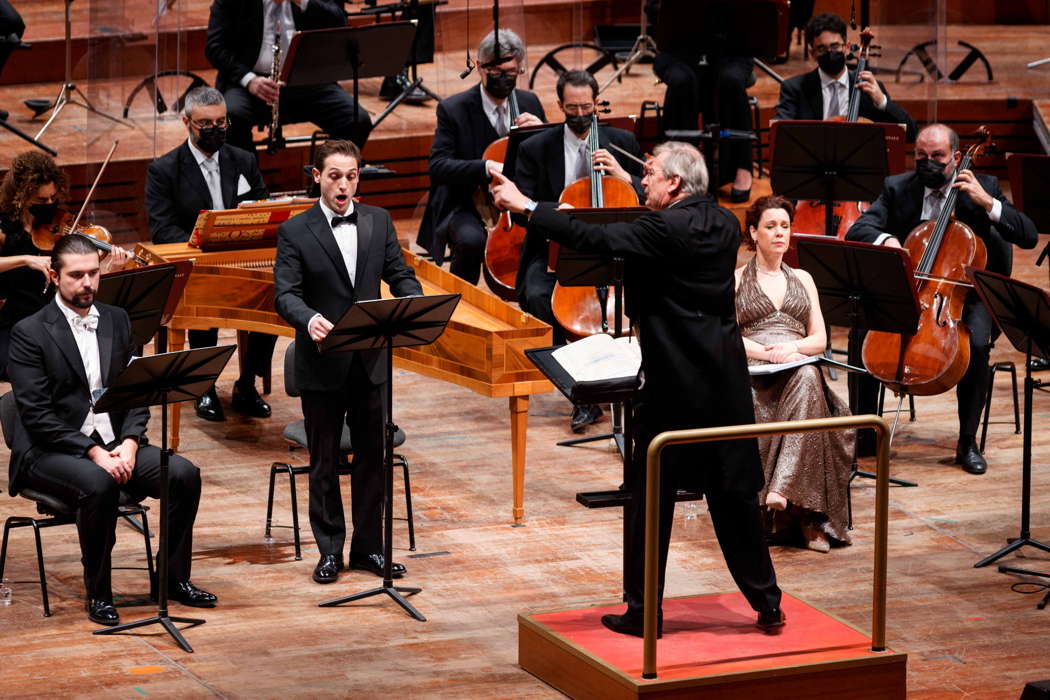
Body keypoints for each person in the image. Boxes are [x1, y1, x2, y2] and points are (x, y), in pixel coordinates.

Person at [491, 141, 783, 636]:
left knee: (650, 498)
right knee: (734, 495)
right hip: (725, 381)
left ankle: (643, 611)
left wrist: (525, 206)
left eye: (649, 174)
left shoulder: (663, 227)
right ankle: (767, 601)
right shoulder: (724, 223)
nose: (642, 180)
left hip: (672, 384)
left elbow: (593, 237)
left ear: (673, 183)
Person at [6, 234, 216, 626]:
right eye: (76, 276)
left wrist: (131, 442)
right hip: (50, 452)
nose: (87, 283)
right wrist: (94, 452)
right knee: (98, 484)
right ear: (54, 276)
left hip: (115, 444)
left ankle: (172, 580)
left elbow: (135, 391)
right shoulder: (29, 333)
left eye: (93, 274)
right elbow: (36, 415)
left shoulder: (117, 320)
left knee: (183, 474)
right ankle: (99, 593)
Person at [846, 123, 1038, 474]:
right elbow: (860, 228)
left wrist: (988, 203)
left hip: (963, 296)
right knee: (864, 326)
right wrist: (888, 240)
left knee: (977, 345)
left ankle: (967, 442)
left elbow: (1027, 236)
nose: (928, 163)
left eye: (937, 156)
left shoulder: (984, 188)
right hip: (911, 288)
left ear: (956, 157)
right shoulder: (897, 188)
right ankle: (865, 431)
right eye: (921, 156)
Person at [274, 139, 423, 584]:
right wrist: (309, 318)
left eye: (352, 176)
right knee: (322, 462)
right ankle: (329, 551)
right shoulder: (296, 231)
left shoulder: (378, 221)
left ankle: (368, 550)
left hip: (371, 362)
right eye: (335, 176)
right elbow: (285, 294)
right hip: (322, 363)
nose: (344, 184)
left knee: (373, 460)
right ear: (316, 177)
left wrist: (411, 303)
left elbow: (399, 274)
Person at [515, 68, 643, 432]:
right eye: (572, 108)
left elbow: (651, 195)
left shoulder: (622, 142)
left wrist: (623, 176)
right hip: (556, 251)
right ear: (559, 106)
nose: (581, 115)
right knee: (540, 297)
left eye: (587, 107)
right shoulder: (534, 148)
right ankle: (579, 391)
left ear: (597, 103)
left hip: (614, 249)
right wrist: (557, 213)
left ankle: (633, 377)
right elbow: (520, 209)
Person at [145, 86, 276, 423]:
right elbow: (162, 229)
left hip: (241, 258)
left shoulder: (243, 159)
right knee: (205, 300)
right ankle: (204, 386)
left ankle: (247, 384)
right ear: (187, 122)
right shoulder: (164, 170)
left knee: (275, 297)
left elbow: (262, 207)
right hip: (197, 263)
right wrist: (204, 245)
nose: (216, 130)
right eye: (207, 124)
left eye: (222, 122)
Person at [736, 195, 853, 552]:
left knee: (806, 380)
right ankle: (806, 520)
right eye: (770, 226)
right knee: (807, 388)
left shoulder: (804, 277)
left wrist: (793, 349)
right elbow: (727, 337)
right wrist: (766, 353)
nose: (779, 233)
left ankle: (784, 494)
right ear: (754, 232)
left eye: (785, 226)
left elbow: (818, 339)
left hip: (795, 363)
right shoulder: (738, 279)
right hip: (756, 369)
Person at [417, 28, 545, 284]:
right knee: (470, 240)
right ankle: (464, 305)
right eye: (497, 73)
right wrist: (486, 166)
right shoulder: (453, 109)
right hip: (465, 202)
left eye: (512, 73)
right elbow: (439, 166)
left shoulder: (529, 103)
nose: (505, 80)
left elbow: (550, 163)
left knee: (546, 231)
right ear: (479, 67)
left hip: (515, 202)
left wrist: (542, 132)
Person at [0, 151, 126, 380]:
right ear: (21, 196)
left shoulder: (61, 224)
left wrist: (107, 268)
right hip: (15, 319)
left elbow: (81, 281)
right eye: (41, 201)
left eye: (52, 198)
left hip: (59, 317)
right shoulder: (4, 227)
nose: (49, 205)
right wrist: (27, 259)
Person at [205, 0, 373, 154]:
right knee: (231, 117)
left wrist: (303, 2)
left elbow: (340, 22)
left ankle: (325, 182)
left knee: (356, 120)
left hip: (304, 80)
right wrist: (249, 80)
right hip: (250, 83)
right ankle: (251, 183)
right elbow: (215, 47)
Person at [646, 0, 755, 200]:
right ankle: (678, 167)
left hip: (729, 50)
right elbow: (652, 9)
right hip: (679, 51)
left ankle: (742, 165)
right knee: (682, 81)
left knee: (730, 80)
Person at [775, 12, 917, 142]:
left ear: (847, 47)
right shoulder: (795, 88)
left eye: (835, 46)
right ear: (812, 53)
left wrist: (882, 102)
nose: (830, 52)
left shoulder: (869, 89)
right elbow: (779, 134)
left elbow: (910, 134)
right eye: (821, 48)